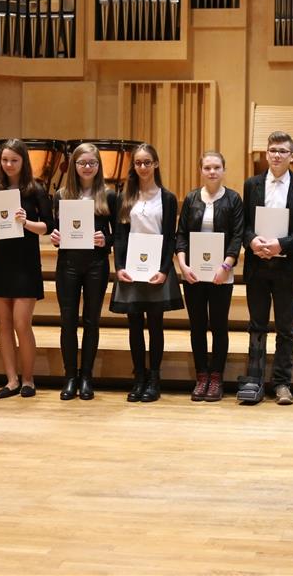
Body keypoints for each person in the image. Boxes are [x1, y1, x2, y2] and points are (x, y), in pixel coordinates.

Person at [239, 131, 293, 405]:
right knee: (256, 326)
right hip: (257, 265)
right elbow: (243, 223)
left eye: (283, 151)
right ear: (266, 153)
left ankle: (282, 383)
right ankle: (255, 380)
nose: (276, 155)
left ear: (292, 156)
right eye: (272, 150)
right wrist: (252, 241)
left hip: (287, 266)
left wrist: (281, 245)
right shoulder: (252, 184)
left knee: (285, 328)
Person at [110, 143, 183, 403]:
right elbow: (120, 236)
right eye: (138, 163)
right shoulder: (124, 196)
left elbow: (170, 237)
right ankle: (138, 377)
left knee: (155, 325)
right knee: (134, 326)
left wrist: (164, 270)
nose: (142, 167)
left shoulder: (167, 198)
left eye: (147, 162)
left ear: (156, 164)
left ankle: (154, 379)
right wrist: (119, 267)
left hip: (156, 269)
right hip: (131, 268)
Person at [0, 139, 51, 398]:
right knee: (3, 325)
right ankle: (11, 380)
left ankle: (28, 380)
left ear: (23, 161)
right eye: (4, 160)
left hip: (25, 263)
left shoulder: (36, 189)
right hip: (0, 261)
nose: (9, 164)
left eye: (14, 160)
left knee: (22, 323)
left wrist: (26, 222)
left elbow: (48, 227)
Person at [49, 143, 117, 401]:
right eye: (82, 163)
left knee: (91, 321)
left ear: (99, 166)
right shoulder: (61, 195)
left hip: (96, 265)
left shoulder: (108, 195)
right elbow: (57, 231)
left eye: (92, 163)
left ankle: (86, 376)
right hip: (67, 264)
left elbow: (117, 236)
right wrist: (55, 237)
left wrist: (105, 240)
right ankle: (70, 377)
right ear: (73, 166)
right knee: (67, 321)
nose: (87, 167)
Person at [176, 151, 244, 403]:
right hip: (193, 274)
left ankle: (216, 377)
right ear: (201, 170)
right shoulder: (191, 198)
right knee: (197, 327)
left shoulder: (233, 199)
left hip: (220, 274)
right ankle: (201, 376)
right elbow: (181, 234)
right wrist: (183, 265)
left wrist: (226, 266)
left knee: (218, 326)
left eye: (216, 167)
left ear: (223, 170)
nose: (212, 171)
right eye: (207, 167)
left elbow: (237, 236)